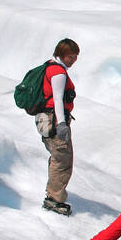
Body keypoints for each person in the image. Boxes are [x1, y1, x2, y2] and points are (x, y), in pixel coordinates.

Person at [37, 38, 79, 214]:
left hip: (44, 119)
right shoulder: (58, 73)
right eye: (71, 56)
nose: (74, 60)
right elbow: (57, 99)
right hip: (55, 120)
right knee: (62, 158)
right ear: (61, 54)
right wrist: (62, 124)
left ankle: (53, 193)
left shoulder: (49, 67)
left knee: (57, 156)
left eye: (75, 56)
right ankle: (54, 199)